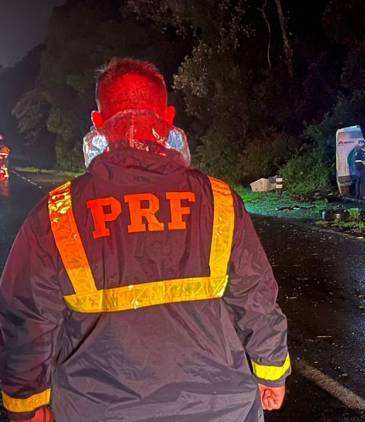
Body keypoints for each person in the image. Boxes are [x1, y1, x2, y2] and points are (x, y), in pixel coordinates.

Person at [0, 58, 290, 422]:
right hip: (220, 410)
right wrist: (271, 370)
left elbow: (25, 318)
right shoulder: (218, 201)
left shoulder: (57, 214)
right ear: (168, 119)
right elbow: (256, 295)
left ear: (99, 123)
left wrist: (27, 404)